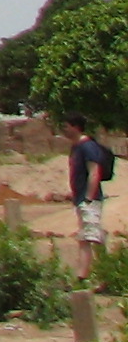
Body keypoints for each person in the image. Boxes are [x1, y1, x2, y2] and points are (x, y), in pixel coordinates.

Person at [60, 113, 114, 278]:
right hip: (81, 199)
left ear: (76, 127)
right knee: (91, 236)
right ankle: (104, 274)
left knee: (90, 238)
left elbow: (94, 172)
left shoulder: (88, 147)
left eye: (66, 126)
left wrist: (88, 198)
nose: (64, 130)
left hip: (89, 200)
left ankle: (83, 276)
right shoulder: (76, 147)